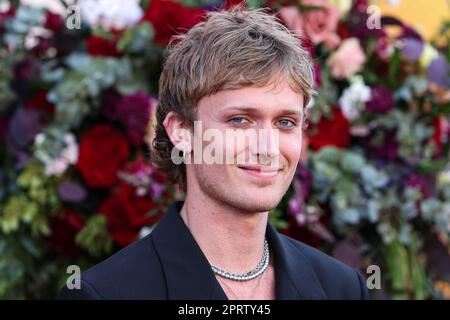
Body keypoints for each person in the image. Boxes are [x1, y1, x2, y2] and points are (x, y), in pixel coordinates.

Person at [58, 7, 369, 300]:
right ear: (181, 131)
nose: (268, 147)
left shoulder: (342, 289)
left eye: (285, 122)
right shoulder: (105, 294)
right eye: (239, 120)